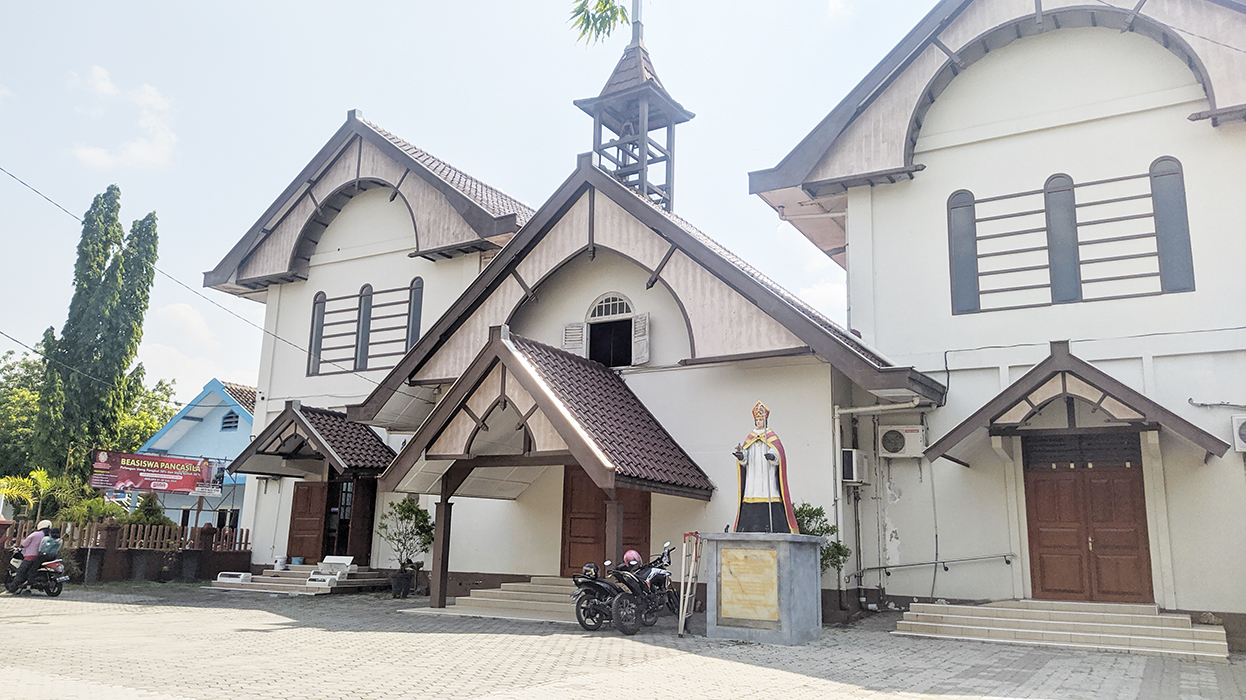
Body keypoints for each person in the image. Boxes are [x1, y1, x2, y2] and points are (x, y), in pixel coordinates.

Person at [732, 402, 798, 534]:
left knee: (770, 493)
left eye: (761, 420)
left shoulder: (771, 437)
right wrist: (741, 456)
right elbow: (745, 457)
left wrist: (772, 456)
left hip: (767, 476)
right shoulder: (750, 437)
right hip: (753, 477)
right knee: (750, 494)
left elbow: (778, 453)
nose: (759, 422)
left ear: (765, 420)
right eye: (757, 420)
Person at [11, 519, 52, 593]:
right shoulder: (47, 536)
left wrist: (21, 545)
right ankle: (28, 587)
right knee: (31, 572)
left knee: (21, 572)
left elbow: (25, 543)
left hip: (30, 556)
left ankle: (12, 588)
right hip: (39, 557)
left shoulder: (35, 534)